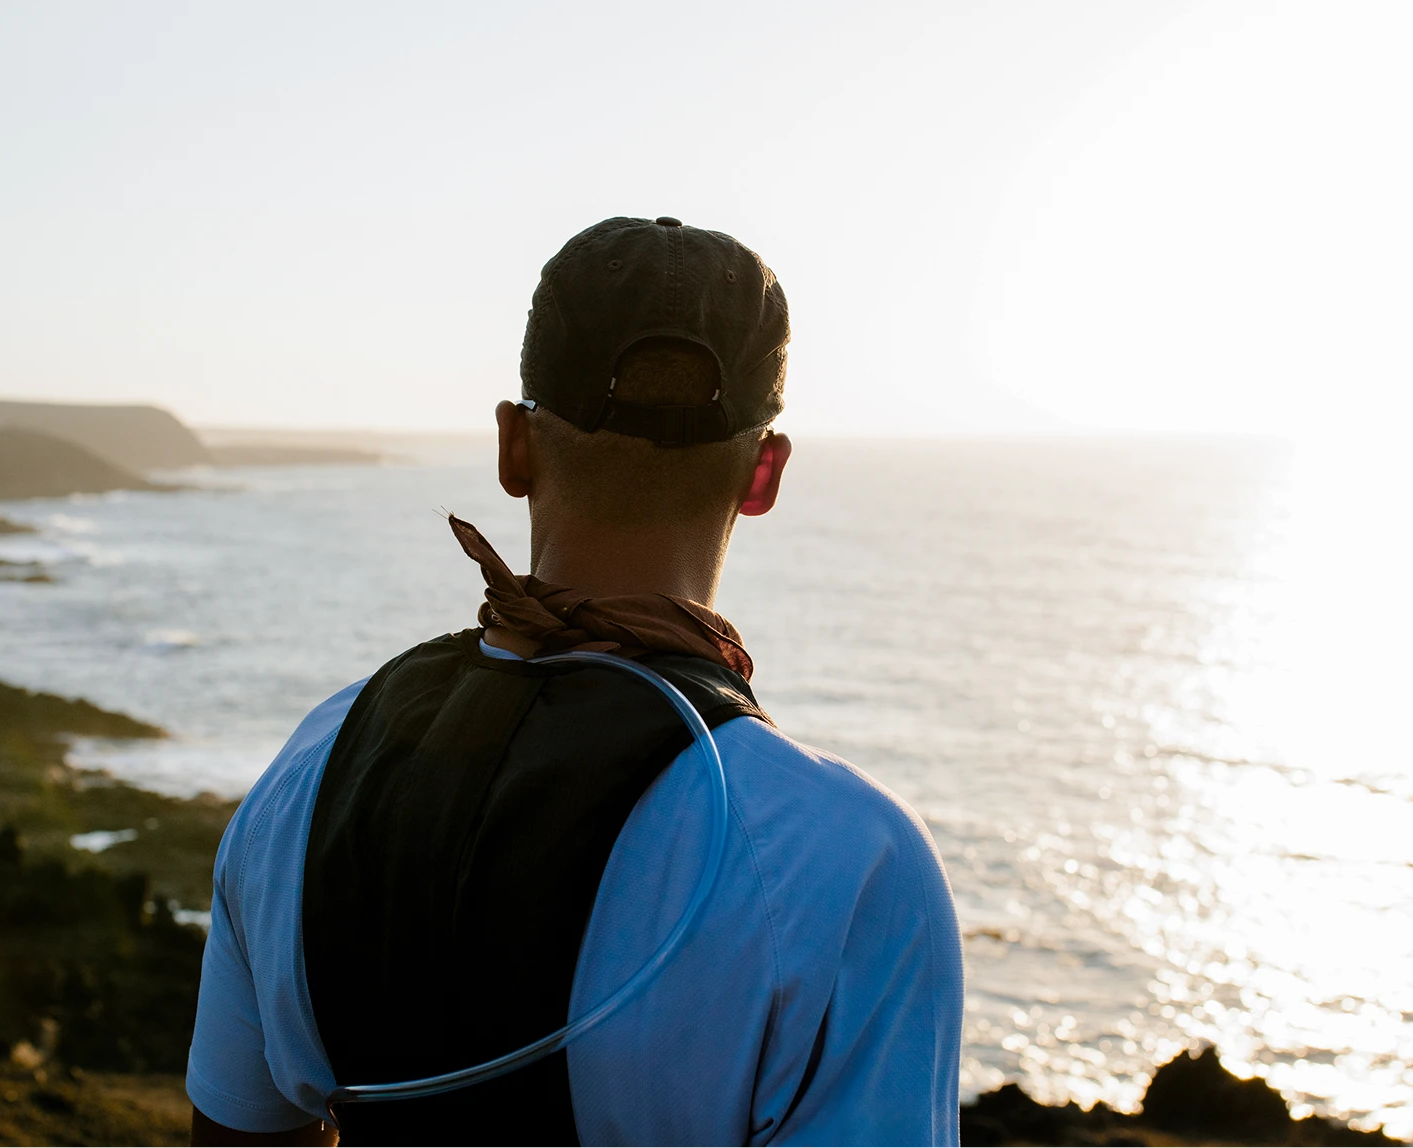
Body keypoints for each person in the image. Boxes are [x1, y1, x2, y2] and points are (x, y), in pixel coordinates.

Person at [185, 216, 963, 1147]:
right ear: (764, 473)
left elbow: (236, 1134)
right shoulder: (847, 861)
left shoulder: (315, 768)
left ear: (513, 448)